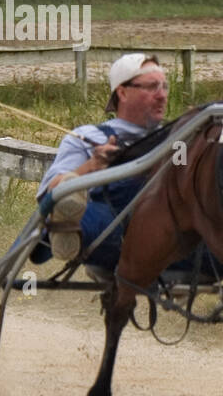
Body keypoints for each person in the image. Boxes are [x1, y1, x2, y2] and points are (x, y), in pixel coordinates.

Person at [31, 53, 169, 270]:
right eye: (152, 87)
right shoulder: (88, 137)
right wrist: (92, 167)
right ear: (122, 92)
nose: (162, 95)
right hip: (111, 230)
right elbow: (51, 192)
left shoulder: (180, 138)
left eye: (164, 86)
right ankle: (67, 228)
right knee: (82, 206)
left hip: (168, 230)